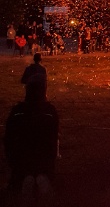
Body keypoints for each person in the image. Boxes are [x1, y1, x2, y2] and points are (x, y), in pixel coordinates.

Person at [4, 78, 59, 206]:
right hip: (43, 157)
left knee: (22, 167)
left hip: (22, 157)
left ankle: (24, 178)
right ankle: (43, 176)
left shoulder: (17, 111)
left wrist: (12, 158)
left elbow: (8, 137)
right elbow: (54, 136)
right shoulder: (50, 111)